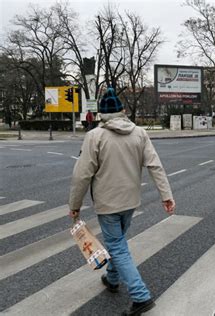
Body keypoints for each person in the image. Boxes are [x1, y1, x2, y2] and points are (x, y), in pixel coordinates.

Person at [68, 87, 175, 316]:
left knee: (116, 245)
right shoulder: (139, 133)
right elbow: (155, 165)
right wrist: (166, 196)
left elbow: (81, 175)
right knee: (119, 244)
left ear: (101, 115)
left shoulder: (95, 136)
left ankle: (140, 296)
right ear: (123, 111)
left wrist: (74, 205)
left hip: (107, 204)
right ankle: (113, 278)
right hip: (131, 201)